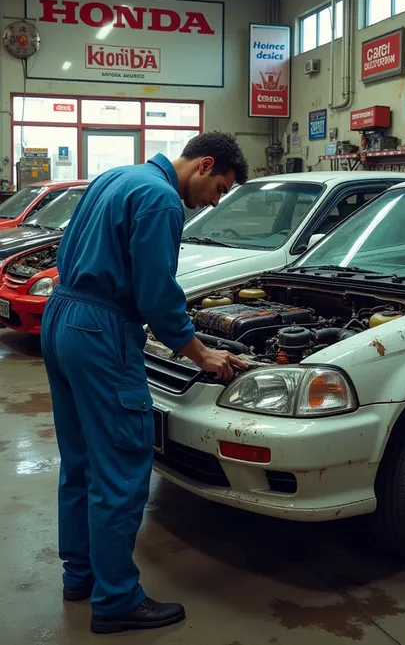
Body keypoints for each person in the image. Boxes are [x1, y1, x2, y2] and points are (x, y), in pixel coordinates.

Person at [41, 132, 249, 635]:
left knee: (81, 460)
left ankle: (81, 576)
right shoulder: (161, 200)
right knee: (121, 463)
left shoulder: (118, 176)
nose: (215, 201)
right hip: (101, 330)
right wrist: (201, 353)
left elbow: (71, 246)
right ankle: (115, 601)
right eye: (219, 188)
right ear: (204, 165)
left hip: (63, 315)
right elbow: (156, 294)